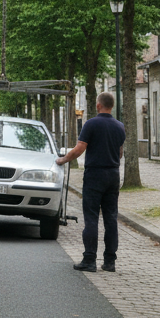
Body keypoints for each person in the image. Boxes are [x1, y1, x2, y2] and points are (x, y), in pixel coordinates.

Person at [56, 92, 125, 272]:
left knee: (92, 217)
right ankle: (110, 261)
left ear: (98, 105)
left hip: (95, 175)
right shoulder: (120, 126)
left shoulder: (91, 124)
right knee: (111, 218)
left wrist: (63, 160)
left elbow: (80, 149)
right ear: (112, 106)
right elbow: (120, 152)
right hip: (113, 175)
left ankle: (89, 259)